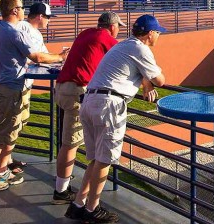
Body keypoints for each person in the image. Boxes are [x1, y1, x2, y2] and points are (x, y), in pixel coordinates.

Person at [66, 15, 166, 223]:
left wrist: (145, 81)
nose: (159, 36)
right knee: (104, 160)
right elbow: (160, 80)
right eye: (158, 32)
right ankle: (92, 209)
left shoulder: (124, 45)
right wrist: (149, 82)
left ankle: (78, 204)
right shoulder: (141, 49)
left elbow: (136, 70)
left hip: (90, 101)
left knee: (96, 159)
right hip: (109, 105)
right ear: (150, 34)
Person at [0, 0, 65, 193]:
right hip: (8, 89)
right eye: (22, 7)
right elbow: (37, 57)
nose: (25, 11)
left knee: (9, 132)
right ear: (15, 10)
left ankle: (2, 170)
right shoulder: (14, 32)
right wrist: (61, 57)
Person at [52, 12, 122, 204]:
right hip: (77, 90)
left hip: (62, 88)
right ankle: (61, 191)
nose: (118, 31)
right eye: (118, 27)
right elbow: (124, 59)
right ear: (112, 26)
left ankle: (62, 184)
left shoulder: (85, 33)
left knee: (69, 141)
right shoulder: (106, 38)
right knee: (70, 143)